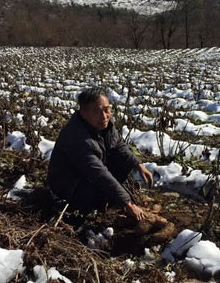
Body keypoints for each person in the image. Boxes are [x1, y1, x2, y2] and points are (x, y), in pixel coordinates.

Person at [46, 87, 154, 221]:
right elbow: (98, 173)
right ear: (84, 113)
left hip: (87, 173)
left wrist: (138, 165)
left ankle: (114, 200)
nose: (104, 116)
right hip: (68, 186)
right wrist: (127, 203)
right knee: (94, 195)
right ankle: (96, 210)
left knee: (123, 163)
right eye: (96, 111)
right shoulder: (77, 138)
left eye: (107, 109)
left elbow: (119, 145)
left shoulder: (104, 125)